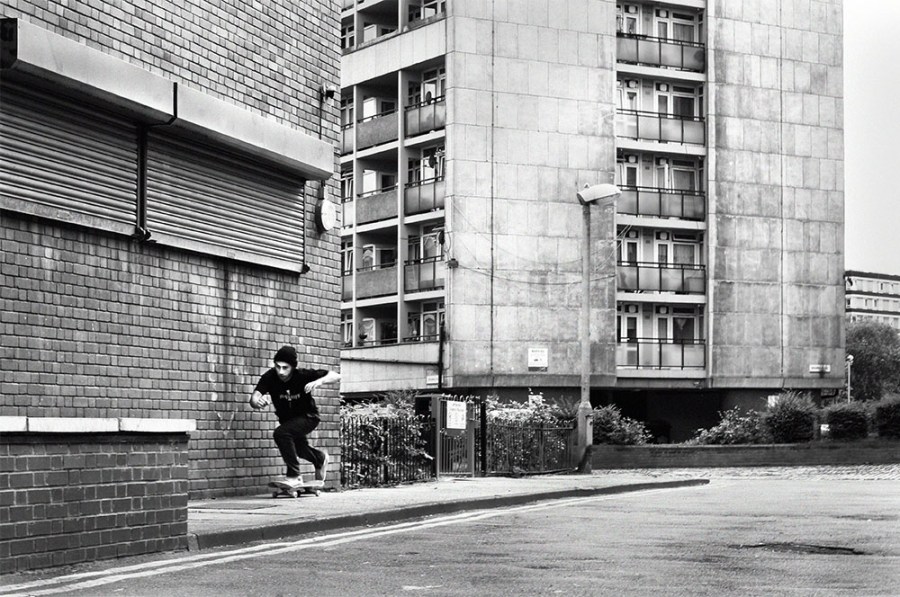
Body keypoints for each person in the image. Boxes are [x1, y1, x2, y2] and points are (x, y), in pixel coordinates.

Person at [249, 345, 340, 485]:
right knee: (299, 449)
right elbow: (254, 398)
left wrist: (319, 381)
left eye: (285, 368)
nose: (281, 371)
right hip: (288, 421)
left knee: (281, 433)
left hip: (308, 417)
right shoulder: (269, 377)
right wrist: (257, 402)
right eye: (278, 367)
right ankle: (319, 458)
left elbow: (336, 375)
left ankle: (294, 476)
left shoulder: (302, 375)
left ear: (292, 367)